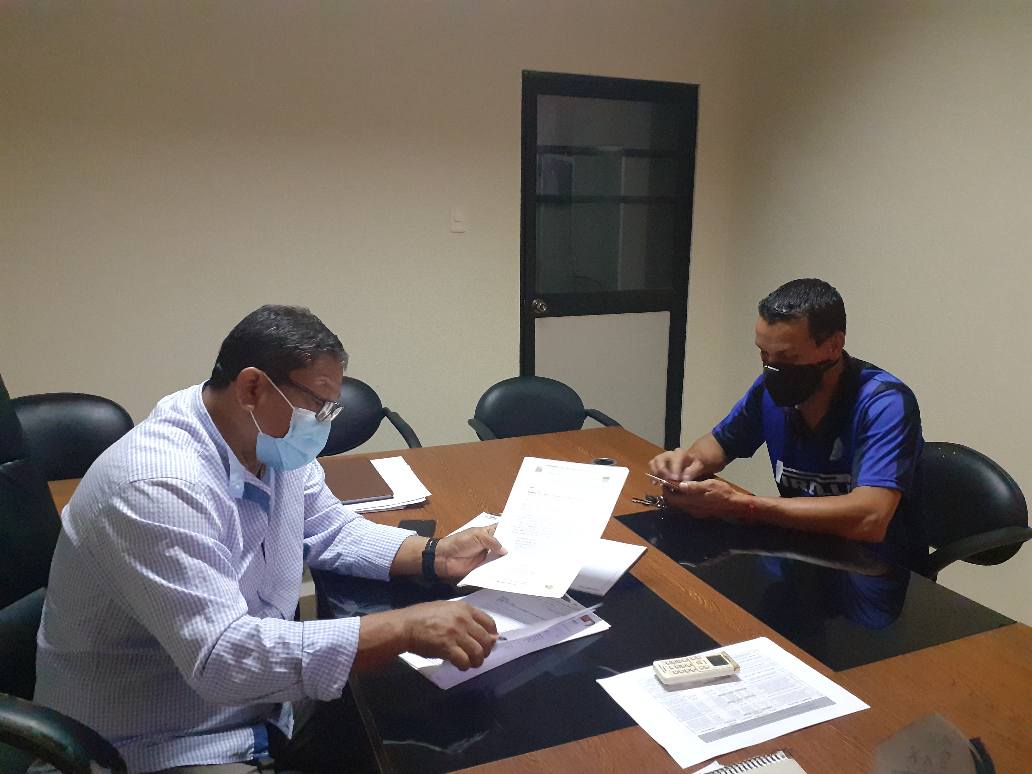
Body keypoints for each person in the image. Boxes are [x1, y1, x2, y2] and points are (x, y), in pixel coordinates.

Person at [34, 305, 505, 773]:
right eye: (317, 405)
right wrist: (404, 627)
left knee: (438, 725)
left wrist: (435, 554)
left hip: (263, 710)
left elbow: (330, 528)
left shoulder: (269, 447)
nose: (323, 423)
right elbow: (224, 659)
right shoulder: (157, 486)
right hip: (159, 745)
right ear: (253, 388)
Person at [650, 278, 926, 571]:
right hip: (800, 553)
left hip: (875, 569)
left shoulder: (884, 403)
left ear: (834, 345)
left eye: (787, 356)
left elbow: (870, 519)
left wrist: (744, 506)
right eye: (764, 353)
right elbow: (717, 444)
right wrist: (685, 467)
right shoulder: (769, 392)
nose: (771, 368)